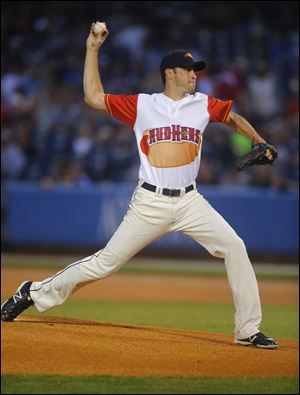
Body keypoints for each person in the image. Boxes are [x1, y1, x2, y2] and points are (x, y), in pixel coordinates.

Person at [1, 22, 278, 349]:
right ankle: (31, 292)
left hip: (191, 202)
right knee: (105, 263)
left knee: (235, 246)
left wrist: (259, 140)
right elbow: (92, 97)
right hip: (150, 202)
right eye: (188, 69)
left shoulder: (202, 103)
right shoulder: (143, 105)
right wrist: (92, 48)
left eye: (195, 70)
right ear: (169, 73)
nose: (194, 74)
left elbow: (232, 117)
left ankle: (247, 329)